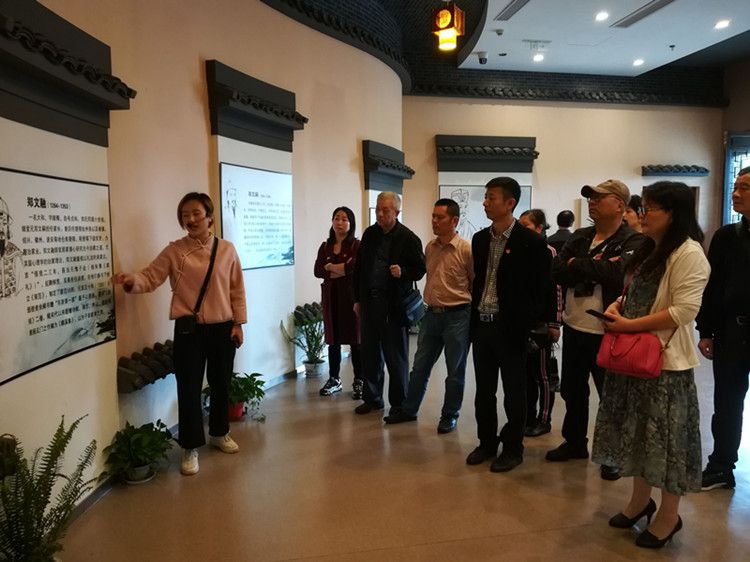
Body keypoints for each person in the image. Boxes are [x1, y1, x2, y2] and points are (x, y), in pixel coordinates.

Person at [592, 181, 709, 549]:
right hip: (633, 359)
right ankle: (639, 502)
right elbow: (633, 292)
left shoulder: (689, 253)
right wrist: (617, 307)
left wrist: (628, 325)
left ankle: (669, 516)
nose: (642, 214)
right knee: (637, 434)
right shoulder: (648, 248)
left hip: (664, 365)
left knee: (667, 444)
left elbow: (683, 311)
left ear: (673, 213)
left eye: (651, 208)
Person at [113, 192, 246, 476]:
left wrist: (239, 323)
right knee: (188, 387)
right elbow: (151, 276)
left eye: (196, 213)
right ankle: (190, 447)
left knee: (221, 383)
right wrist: (131, 280)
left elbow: (236, 289)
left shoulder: (227, 250)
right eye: (185, 215)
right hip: (189, 328)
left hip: (223, 326)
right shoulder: (175, 251)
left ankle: (220, 433)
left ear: (210, 217)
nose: (191, 219)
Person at [546, 180, 646, 482]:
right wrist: (592, 264)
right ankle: (575, 442)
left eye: (601, 198)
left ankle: (612, 455)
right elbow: (557, 272)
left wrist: (579, 264)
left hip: (610, 330)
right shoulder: (580, 236)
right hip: (576, 326)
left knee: (611, 396)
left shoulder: (634, 240)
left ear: (620, 205)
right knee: (573, 390)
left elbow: (619, 274)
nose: (592, 202)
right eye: (591, 198)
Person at [466, 177, 551, 473]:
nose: (485, 203)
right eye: (486, 197)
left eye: (492, 198)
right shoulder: (480, 239)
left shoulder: (531, 242)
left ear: (510, 203)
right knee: (484, 392)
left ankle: (513, 449)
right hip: (482, 324)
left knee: (515, 392)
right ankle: (487, 443)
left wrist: (530, 323)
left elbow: (542, 288)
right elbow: (479, 281)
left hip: (511, 328)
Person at [383, 198, 473, 433]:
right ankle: (409, 410)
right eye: (433, 216)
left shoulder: (466, 249)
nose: (434, 221)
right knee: (420, 367)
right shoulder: (430, 247)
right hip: (431, 314)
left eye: (439, 217)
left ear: (454, 221)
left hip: (457, 316)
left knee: (455, 372)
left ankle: (449, 415)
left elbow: (474, 283)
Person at [697, 166, 750, 490]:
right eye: (736, 186)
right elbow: (713, 287)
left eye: (745, 187)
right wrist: (706, 330)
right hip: (733, 331)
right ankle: (721, 466)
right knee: (727, 403)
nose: (736, 193)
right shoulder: (727, 237)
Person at [352, 191, 425, 415]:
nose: (380, 214)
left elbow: (420, 269)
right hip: (369, 303)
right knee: (370, 354)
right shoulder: (370, 234)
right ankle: (373, 398)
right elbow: (359, 268)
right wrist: (357, 299)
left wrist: (403, 272)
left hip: (393, 306)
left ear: (397, 212)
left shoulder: (408, 237)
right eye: (378, 209)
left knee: (396, 358)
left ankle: (399, 403)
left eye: (386, 210)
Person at [518, 209, 562, 437]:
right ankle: (527, 417)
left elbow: (556, 289)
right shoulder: (519, 250)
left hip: (542, 324)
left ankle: (544, 420)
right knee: (525, 375)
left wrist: (554, 323)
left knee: (543, 376)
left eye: (526, 226)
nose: (522, 230)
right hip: (523, 323)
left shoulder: (549, 252)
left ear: (539, 228)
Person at [314, 207, 363, 398]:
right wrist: (340, 269)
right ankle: (334, 379)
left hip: (351, 298)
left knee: (355, 340)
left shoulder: (356, 245)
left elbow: (355, 268)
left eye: (344, 219)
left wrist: (330, 267)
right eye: (336, 218)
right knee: (332, 340)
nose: (340, 222)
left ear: (351, 223)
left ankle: (359, 380)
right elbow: (318, 270)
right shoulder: (325, 246)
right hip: (331, 297)